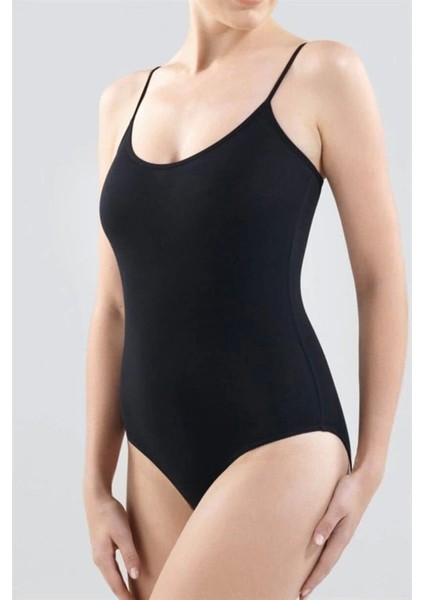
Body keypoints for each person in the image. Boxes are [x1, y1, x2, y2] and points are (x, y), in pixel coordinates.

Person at [83, 1, 408, 599]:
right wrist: (94, 485)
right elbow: (113, 309)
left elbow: (379, 277)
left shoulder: (322, 73)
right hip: (152, 453)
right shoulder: (121, 103)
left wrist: (373, 465)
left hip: (281, 436)